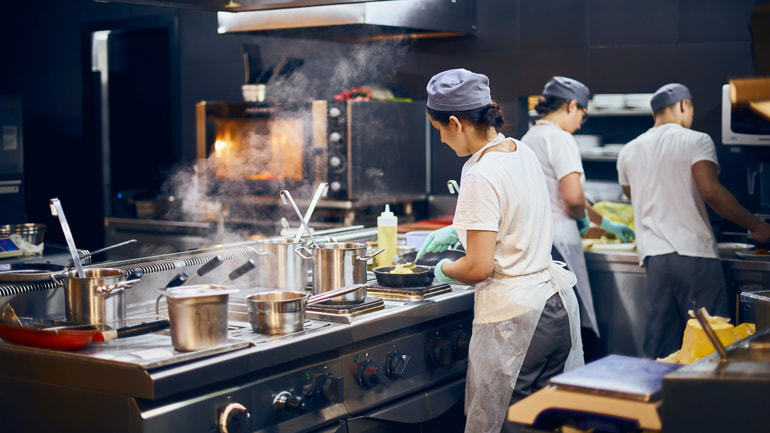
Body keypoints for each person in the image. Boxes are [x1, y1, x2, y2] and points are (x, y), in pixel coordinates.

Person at [417, 68, 584, 433]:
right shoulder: (518, 149)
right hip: (553, 308)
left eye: (439, 130)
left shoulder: (479, 172)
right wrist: (458, 230)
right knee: (544, 424)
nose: (443, 140)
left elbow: (478, 267)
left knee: (509, 427)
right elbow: (512, 216)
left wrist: (442, 270)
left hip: (518, 323)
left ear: (456, 124)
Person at [616, 83, 770, 359]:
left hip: (655, 259)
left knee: (661, 349)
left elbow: (630, 193)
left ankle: (656, 400)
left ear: (655, 114)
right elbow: (711, 192)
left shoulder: (629, 150)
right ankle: (706, 400)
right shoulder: (695, 140)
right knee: (711, 342)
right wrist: (756, 226)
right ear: (684, 105)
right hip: (695, 257)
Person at [522, 76, 634, 339]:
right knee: (570, 318)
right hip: (561, 240)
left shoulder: (528, 138)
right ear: (572, 105)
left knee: (548, 318)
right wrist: (581, 219)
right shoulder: (561, 139)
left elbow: (562, 193)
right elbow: (572, 200)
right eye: (582, 113)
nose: (581, 122)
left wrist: (602, 221)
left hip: (536, 240)